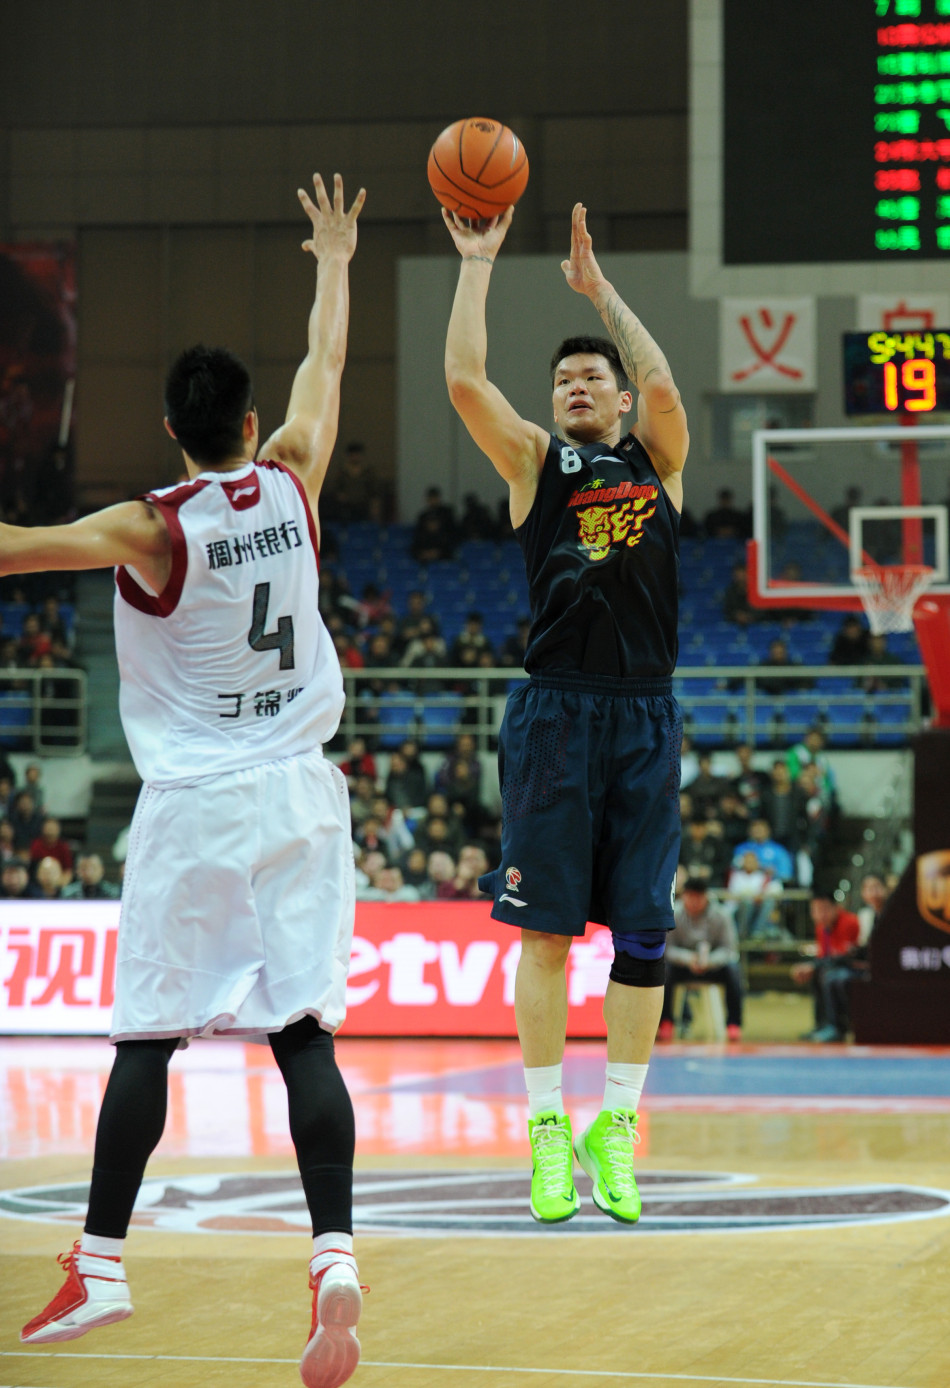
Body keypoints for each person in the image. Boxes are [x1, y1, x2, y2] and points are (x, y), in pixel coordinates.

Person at [14, 172, 367, 1388]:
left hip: (199, 804)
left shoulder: (149, 524)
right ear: (250, 418)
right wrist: (333, 259)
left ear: (170, 429)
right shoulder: (298, 474)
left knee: (148, 1041)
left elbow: (17, 550)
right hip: (304, 793)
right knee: (306, 1034)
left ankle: (101, 1266)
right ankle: (332, 1257)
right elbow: (327, 360)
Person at [443, 197, 688, 1225]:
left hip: (641, 714)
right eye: (562, 379)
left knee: (641, 936)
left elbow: (667, 382)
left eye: (593, 379)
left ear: (621, 402)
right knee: (544, 936)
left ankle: (617, 1128)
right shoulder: (536, 464)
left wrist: (599, 292)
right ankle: (549, 1130)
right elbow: (463, 380)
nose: (575, 385)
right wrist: (476, 264)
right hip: (554, 712)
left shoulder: (659, 464)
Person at [657, 878, 743, 1041]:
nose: (694, 902)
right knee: (663, 970)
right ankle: (666, 1021)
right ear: (684, 897)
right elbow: (667, 948)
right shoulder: (674, 915)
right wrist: (689, 959)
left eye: (699, 897)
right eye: (691, 897)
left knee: (734, 970)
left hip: (713, 966)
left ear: (706, 896)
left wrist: (709, 961)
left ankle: (733, 1023)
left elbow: (729, 949)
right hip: (682, 967)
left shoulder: (722, 916)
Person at [791, 887, 862, 1042]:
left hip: (855, 967)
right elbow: (824, 957)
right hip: (837, 966)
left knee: (830, 976)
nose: (820, 914)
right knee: (818, 973)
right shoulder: (822, 928)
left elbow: (845, 957)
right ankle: (821, 1025)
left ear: (836, 908)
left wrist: (814, 966)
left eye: (824, 909)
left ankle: (837, 1027)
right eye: (815, 910)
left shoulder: (849, 922)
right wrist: (810, 967)